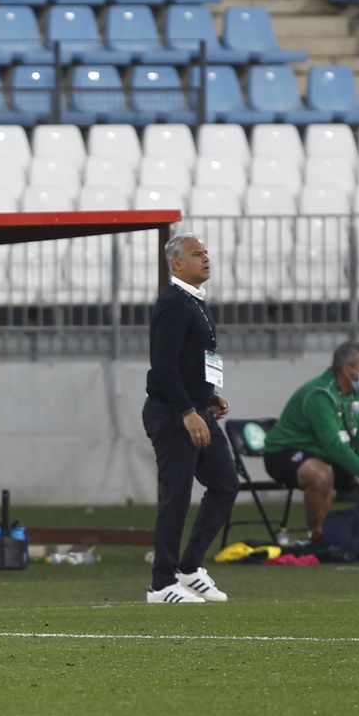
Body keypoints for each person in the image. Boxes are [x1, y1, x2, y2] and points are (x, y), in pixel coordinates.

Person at [141, 232, 236, 605]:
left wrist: (207, 396)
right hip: (174, 414)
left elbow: (187, 361)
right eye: (197, 254)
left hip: (196, 409)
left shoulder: (193, 301)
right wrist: (187, 411)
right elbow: (162, 367)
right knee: (176, 498)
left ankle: (189, 567)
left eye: (207, 253)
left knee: (225, 484)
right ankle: (161, 584)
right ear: (176, 263)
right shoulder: (172, 304)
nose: (206, 258)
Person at [264, 341, 359, 542]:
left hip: (329, 455)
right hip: (286, 453)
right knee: (321, 474)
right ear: (346, 370)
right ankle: (317, 537)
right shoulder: (320, 394)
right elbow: (333, 445)